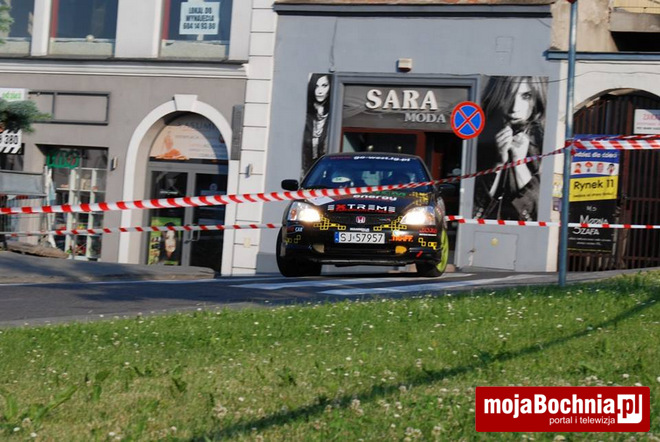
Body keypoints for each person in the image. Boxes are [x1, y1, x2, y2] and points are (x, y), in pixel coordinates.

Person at [473, 76, 547, 221]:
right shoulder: (483, 139)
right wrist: (499, 162)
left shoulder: (542, 144)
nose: (514, 107)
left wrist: (519, 164)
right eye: (509, 95)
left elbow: (536, 214)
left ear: (537, 99)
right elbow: (476, 208)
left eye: (526, 96)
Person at [302, 73, 332, 172]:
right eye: (316, 86)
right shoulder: (308, 116)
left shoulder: (332, 117)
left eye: (324, 85)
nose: (319, 91)